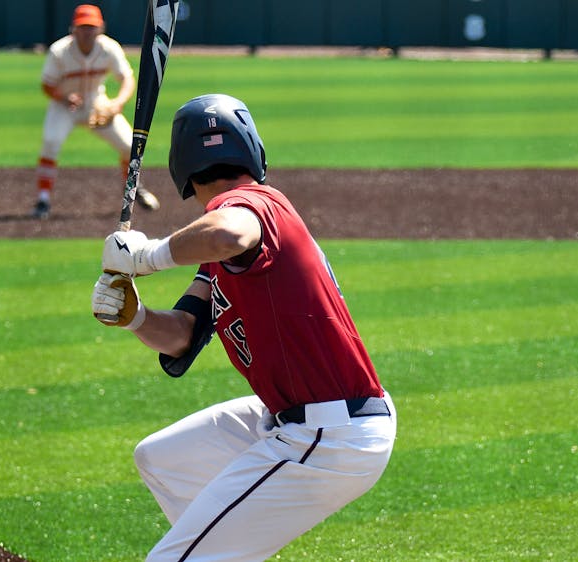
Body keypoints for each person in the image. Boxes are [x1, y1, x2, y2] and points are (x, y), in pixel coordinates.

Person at [90, 93, 396, 560]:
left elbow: (232, 231)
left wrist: (148, 256)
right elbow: (182, 335)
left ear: (183, 167)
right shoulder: (223, 253)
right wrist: (136, 317)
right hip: (297, 416)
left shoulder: (251, 203)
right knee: (162, 459)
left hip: (332, 434)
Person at [32, 4, 160, 219]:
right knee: (51, 142)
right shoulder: (59, 51)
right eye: (83, 26)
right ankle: (43, 199)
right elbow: (46, 85)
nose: (87, 31)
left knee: (130, 145)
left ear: (101, 28)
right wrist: (64, 97)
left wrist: (117, 103)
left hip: (96, 102)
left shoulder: (109, 48)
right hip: (64, 105)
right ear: (74, 28)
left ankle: (132, 188)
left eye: (92, 27)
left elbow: (127, 79)